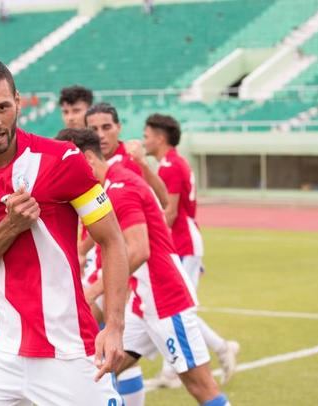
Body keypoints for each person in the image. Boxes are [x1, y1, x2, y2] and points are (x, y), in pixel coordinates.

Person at [0, 59, 129, 405]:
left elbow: (113, 240)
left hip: (69, 349)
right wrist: (10, 227)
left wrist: (114, 327)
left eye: (2, 108)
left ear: (18, 103)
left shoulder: (64, 159)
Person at [57, 128, 232, 406]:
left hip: (165, 300)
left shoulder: (121, 188)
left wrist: (91, 292)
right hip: (143, 304)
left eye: (67, 165)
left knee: (202, 389)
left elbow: (138, 250)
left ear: (87, 159)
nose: (64, 175)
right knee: (101, 371)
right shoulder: (110, 187)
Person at [138, 114, 240, 387]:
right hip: (184, 242)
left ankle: (219, 349)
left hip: (180, 241)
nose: (144, 140)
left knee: (175, 307)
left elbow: (169, 213)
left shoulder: (171, 166)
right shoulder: (173, 163)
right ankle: (174, 369)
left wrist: (146, 237)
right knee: (170, 307)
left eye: (147, 135)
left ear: (160, 138)